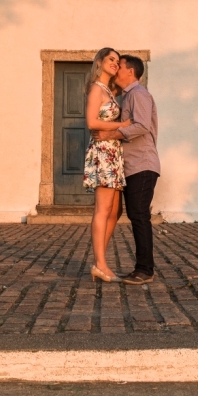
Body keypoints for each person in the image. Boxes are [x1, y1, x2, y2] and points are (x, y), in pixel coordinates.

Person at [93, 54, 160, 285]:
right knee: (132, 215)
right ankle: (114, 263)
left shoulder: (138, 94)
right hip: (131, 165)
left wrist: (111, 133)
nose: (116, 69)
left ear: (130, 71)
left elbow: (141, 126)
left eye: (119, 66)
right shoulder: (127, 96)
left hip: (142, 164)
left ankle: (145, 269)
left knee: (139, 216)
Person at [83, 47, 131, 283]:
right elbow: (92, 122)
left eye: (117, 61)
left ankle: (100, 261)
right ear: (100, 62)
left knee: (115, 210)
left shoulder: (109, 91)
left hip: (113, 153)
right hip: (103, 152)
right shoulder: (96, 89)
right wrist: (122, 125)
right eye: (110, 59)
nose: (114, 63)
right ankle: (100, 264)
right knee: (103, 210)